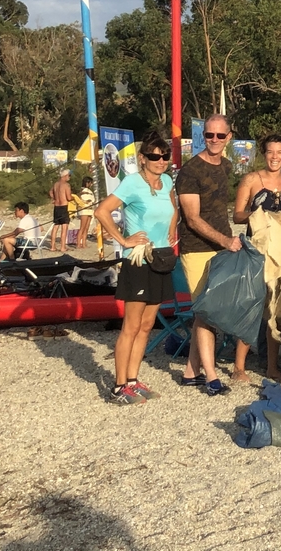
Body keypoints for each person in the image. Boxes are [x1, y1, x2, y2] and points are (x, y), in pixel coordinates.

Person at [94, 132, 179, 405]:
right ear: (142, 159)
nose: (161, 161)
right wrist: (123, 240)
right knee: (131, 325)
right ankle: (119, 386)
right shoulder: (132, 183)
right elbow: (102, 211)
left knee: (147, 325)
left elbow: (173, 208)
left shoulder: (167, 181)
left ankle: (133, 380)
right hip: (138, 260)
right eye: (154, 156)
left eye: (165, 156)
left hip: (160, 257)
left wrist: (170, 231)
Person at [176, 114, 239, 397]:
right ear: (203, 136)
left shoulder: (226, 166)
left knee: (211, 309)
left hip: (221, 246)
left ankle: (191, 371)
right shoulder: (191, 171)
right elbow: (192, 218)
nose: (214, 140)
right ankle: (212, 376)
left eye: (219, 135)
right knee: (206, 309)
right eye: (209, 135)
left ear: (229, 137)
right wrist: (225, 240)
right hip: (197, 247)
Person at [233, 134, 281, 383]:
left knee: (275, 310)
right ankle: (239, 366)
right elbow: (237, 215)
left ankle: (273, 367)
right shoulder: (252, 180)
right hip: (257, 251)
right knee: (253, 307)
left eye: (280, 152)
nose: (275, 157)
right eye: (271, 152)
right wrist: (259, 215)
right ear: (264, 154)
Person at [49, 168, 72, 252]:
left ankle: (52, 246)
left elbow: (50, 192)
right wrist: (74, 197)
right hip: (63, 206)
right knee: (64, 226)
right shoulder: (66, 185)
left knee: (55, 226)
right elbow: (69, 198)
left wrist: (55, 198)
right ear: (65, 175)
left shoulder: (56, 184)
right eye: (69, 175)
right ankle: (63, 247)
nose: (69, 177)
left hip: (56, 206)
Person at [74, 177, 97, 249]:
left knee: (87, 228)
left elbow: (93, 200)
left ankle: (84, 243)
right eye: (90, 183)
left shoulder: (90, 191)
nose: (91, 184)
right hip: (84, 210)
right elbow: (80, 199)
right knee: (82, 227)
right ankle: (78, 243)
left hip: (90, 210)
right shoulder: (82, 190)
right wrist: (87, 201)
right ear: (87, 183)